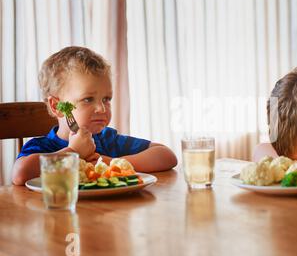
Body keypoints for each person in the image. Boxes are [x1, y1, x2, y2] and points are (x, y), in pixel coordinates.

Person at [12, 46, 177, 185]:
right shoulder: (44, 147)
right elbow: (20, 174)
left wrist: (113, 163)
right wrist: (72, 152)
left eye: (106, 99)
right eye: (88, 99)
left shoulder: (107, 139)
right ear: (57, 106)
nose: (101, 108)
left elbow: (166, 156)